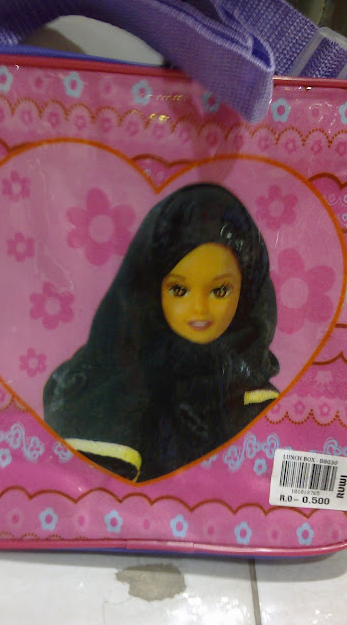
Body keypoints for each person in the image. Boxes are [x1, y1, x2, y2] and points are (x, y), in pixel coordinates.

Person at [43, 183, 279, 482]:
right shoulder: (106, 388)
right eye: (179, 290)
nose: (199, 310)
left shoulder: (251, 391)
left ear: (247, 292)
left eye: (220, 290)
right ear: (152, 289)